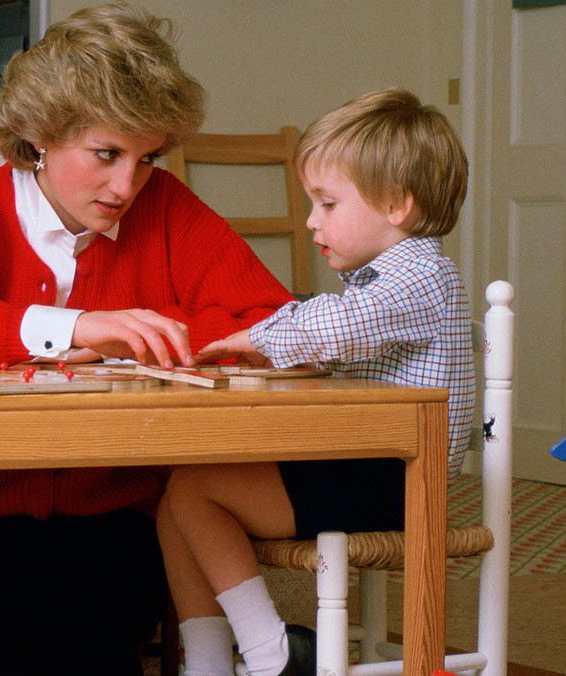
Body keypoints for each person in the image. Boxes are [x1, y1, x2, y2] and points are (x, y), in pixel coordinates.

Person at [0, 3, 294, 675]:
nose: (127, 184)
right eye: (106, 154)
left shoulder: (166, 209)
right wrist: (71, 326)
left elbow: (274, 319)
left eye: (147, 157)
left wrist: (147, 337)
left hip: (105, 530)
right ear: (41, 133)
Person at [155, 87, 476, 676]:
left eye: (327, 204)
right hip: (366, 465)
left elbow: (336, 323)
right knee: (173, 500)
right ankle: (206, 662)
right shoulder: (382, 281)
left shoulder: (421, 274)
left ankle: (268, 653)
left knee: (194, 490)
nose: (311, 221)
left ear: (396, 205)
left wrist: (259, 338)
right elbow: (343, 338)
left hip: (399, 479)